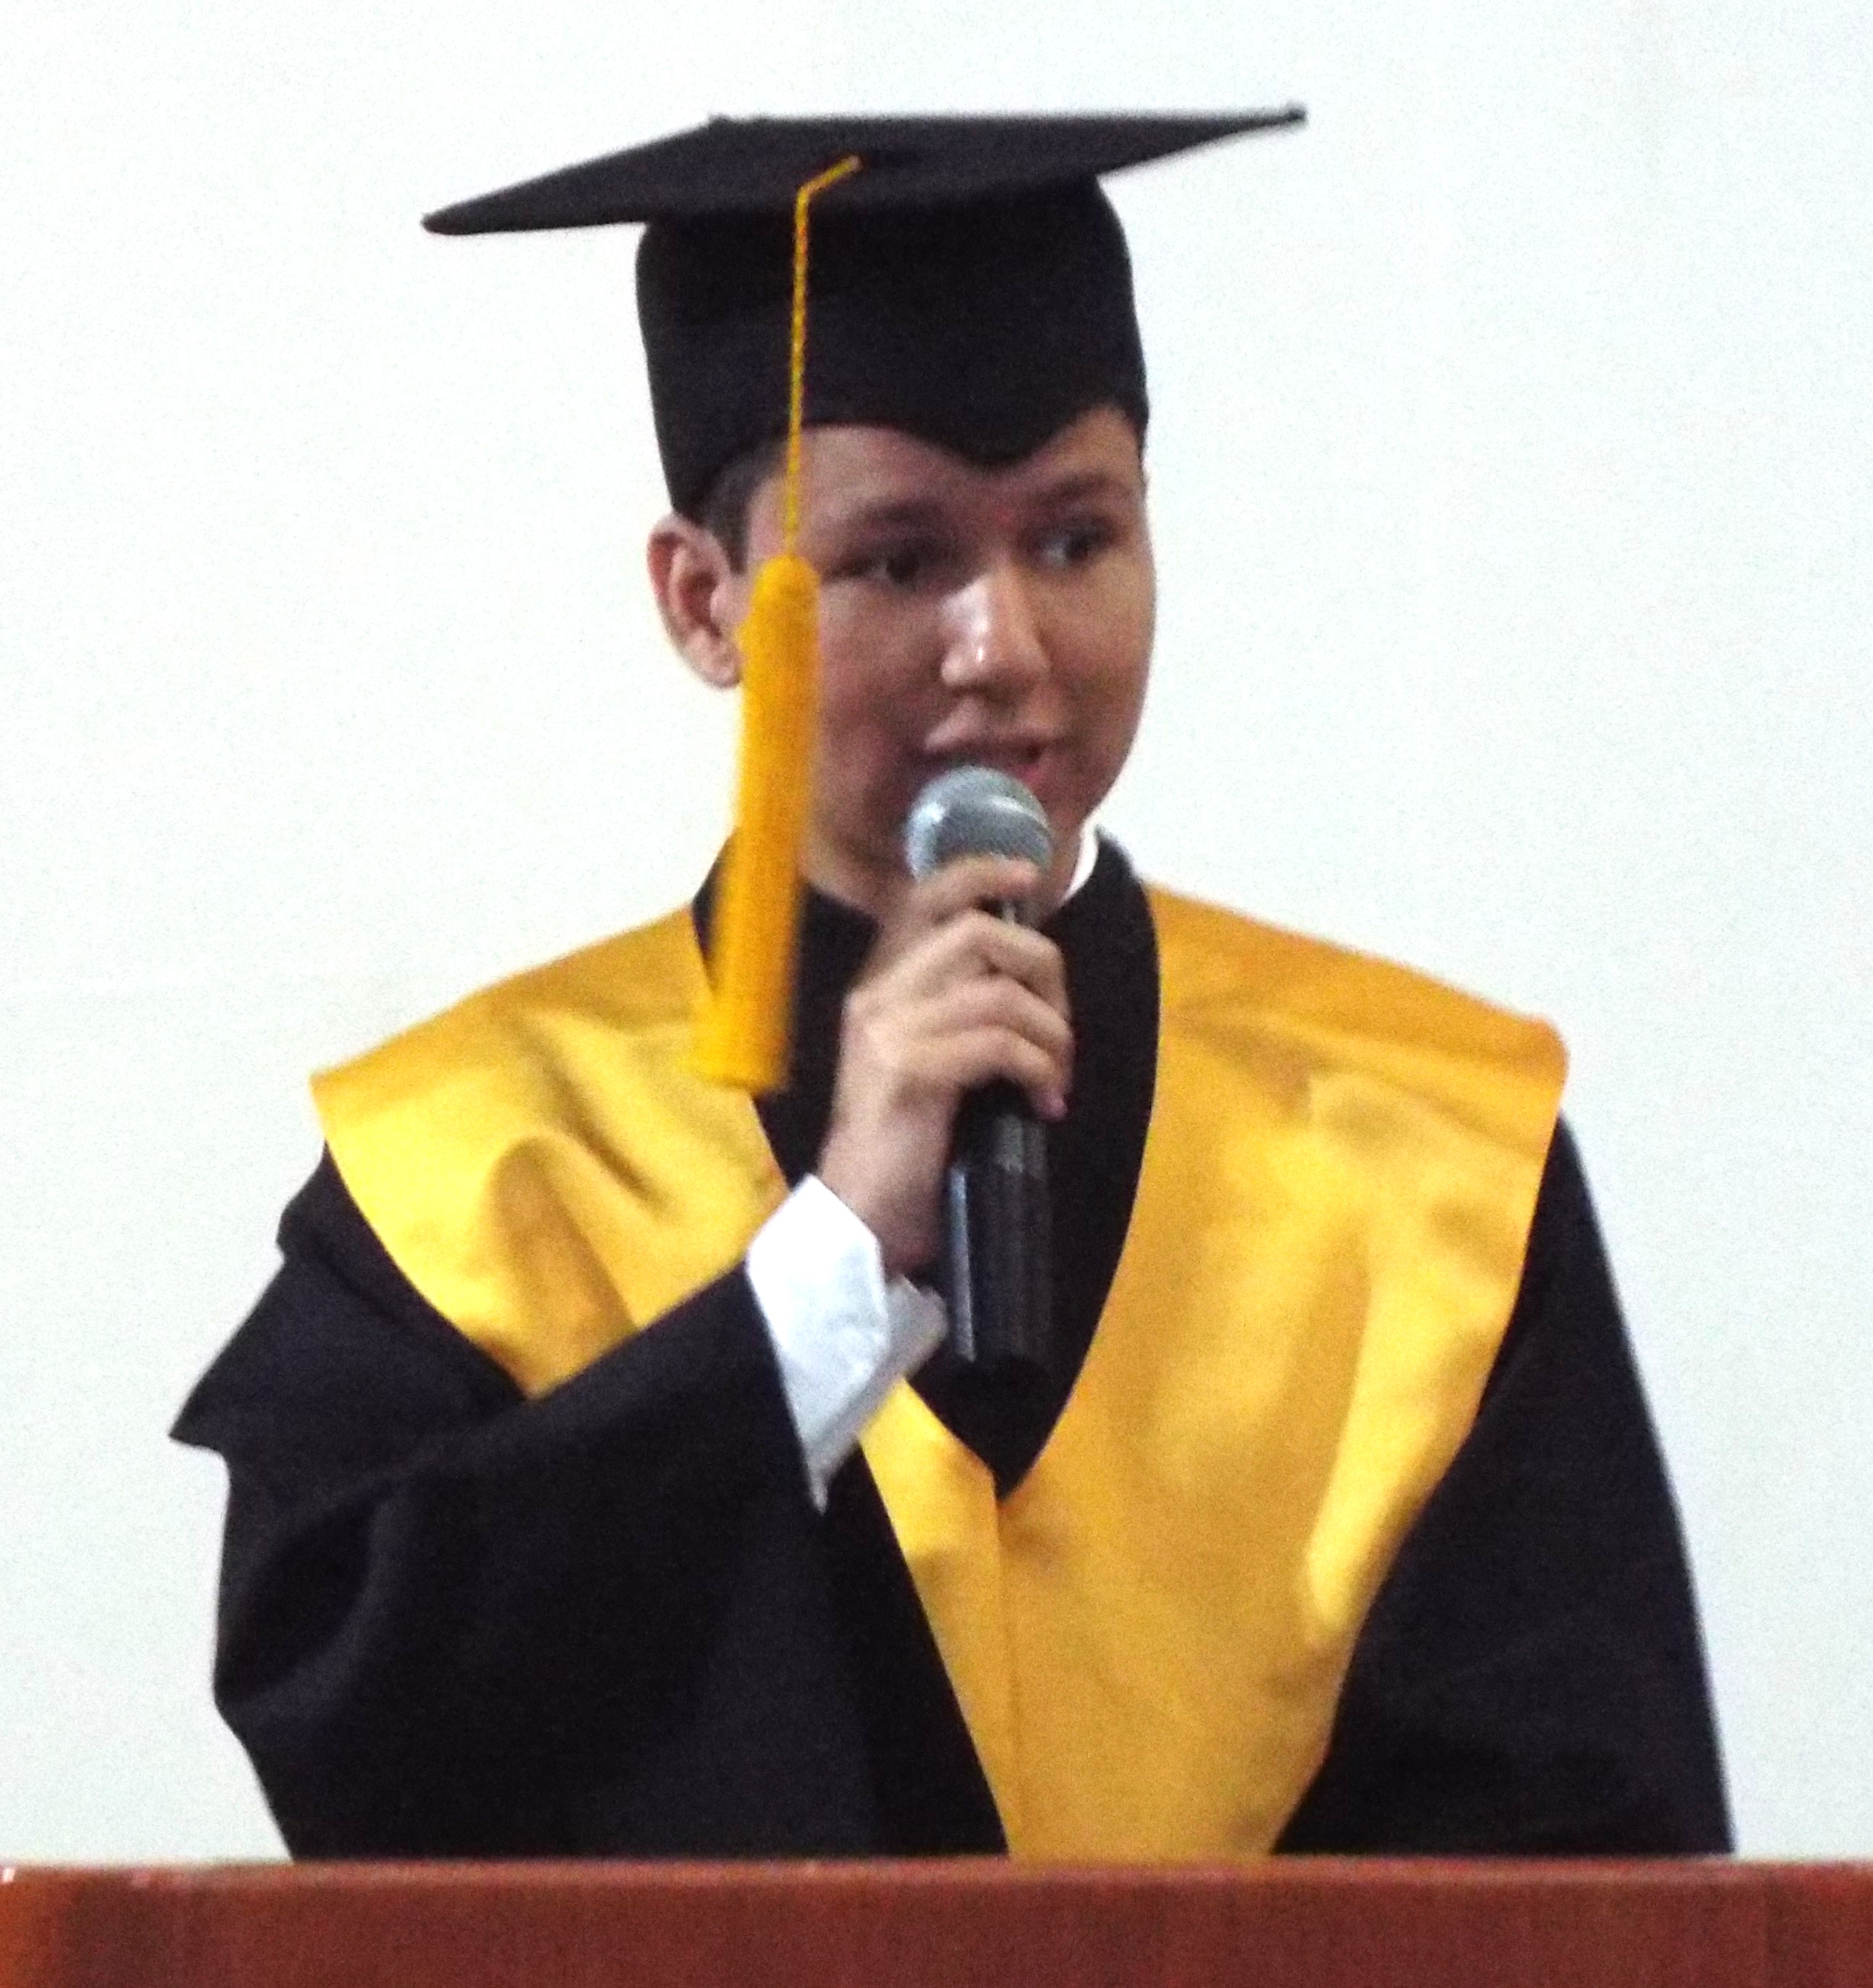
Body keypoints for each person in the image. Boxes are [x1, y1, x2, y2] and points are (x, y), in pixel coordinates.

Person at [173, 113, 1731, 1860]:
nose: (1005, 644)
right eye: (899, 560)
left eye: (1074, 539)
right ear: (705, 604)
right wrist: (824, 1282)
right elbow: (364, 1744)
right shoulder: (477, 1170)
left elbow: (1587, 1860)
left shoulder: (1430, 1151)